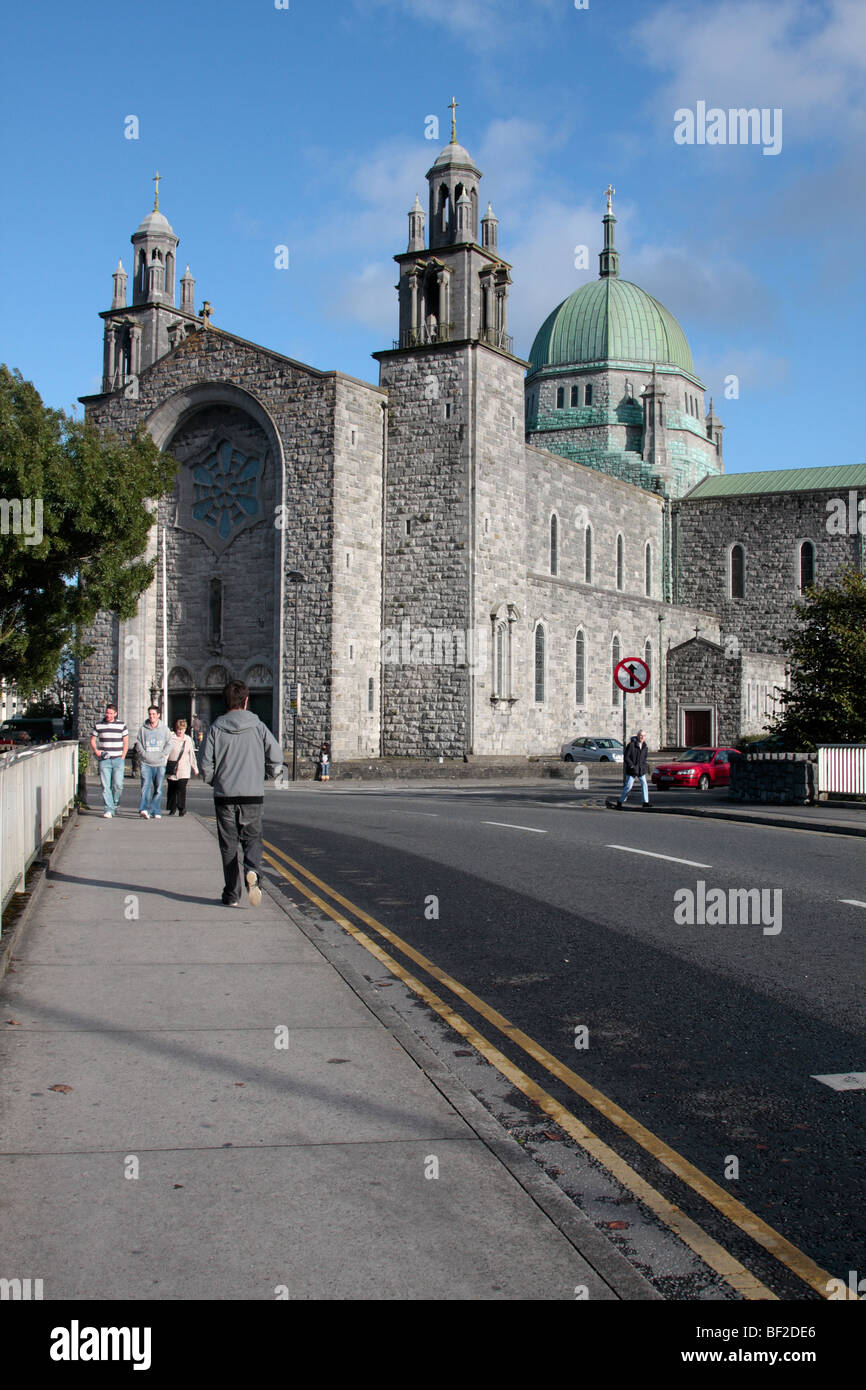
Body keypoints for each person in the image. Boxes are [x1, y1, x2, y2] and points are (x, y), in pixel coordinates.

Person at [200, 679, 283, 908]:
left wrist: (215, 781)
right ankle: (253, 871)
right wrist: (265, 775)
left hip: (225, 795)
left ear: (225, 702)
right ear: (246, 701)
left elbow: (205, 764)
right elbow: (276, 757)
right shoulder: (258, 727)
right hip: (252, 794)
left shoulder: (215, 728)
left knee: (228, 845)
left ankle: (231, 894)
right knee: (252, 839)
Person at [90, 703, 129, 817]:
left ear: (115, 714)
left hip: (118, 758)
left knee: (118, 785)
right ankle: (109, 809)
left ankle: (115, 803)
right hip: (104, 760)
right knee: (105, 785)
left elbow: (126, 741)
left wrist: (123, 756)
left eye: (111, 713)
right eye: (107, 713)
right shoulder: (99, 725)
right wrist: (97, 751)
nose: (108, 715)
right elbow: (93, 740)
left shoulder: (121, 725)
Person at [134, 706, 173, 819]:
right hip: (146, 763)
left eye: (153, 714)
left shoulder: (164, 729)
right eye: (150, 714)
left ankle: (156, 810)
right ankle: (144, 809)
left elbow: (169, 743)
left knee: (158, 789)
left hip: (159, 764)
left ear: (158, 715)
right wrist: (144, 754)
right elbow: (138, 743)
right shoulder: (143, 729)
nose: (151, 716)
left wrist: (162, 754)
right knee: (145, 787)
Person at [166, 718, 198, 816]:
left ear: (185, 729)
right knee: (172, 789)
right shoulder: (171, 738)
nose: (180, 731)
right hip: (172, 768)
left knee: (181, 789)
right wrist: (163, 764)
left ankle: (181, 808)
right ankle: (172, 808)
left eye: (182, 729)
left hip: (184, 769)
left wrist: (195, 767)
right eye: (178, 729)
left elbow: (191, 754)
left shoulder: (188, 739)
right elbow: (166, 753)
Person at [618, 729, 650, 809]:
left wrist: (644, 766)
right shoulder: (631, 745)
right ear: (637, 736)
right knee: (628, 786)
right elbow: (626, 757)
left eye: (643, 736)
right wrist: (632, 766)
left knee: (644, 785)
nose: (642, 737)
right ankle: (620, 801)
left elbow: (644, 758)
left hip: (641, 770)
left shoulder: (645, 746)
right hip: (632, 770)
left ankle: (645, 802)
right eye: (640, 735)